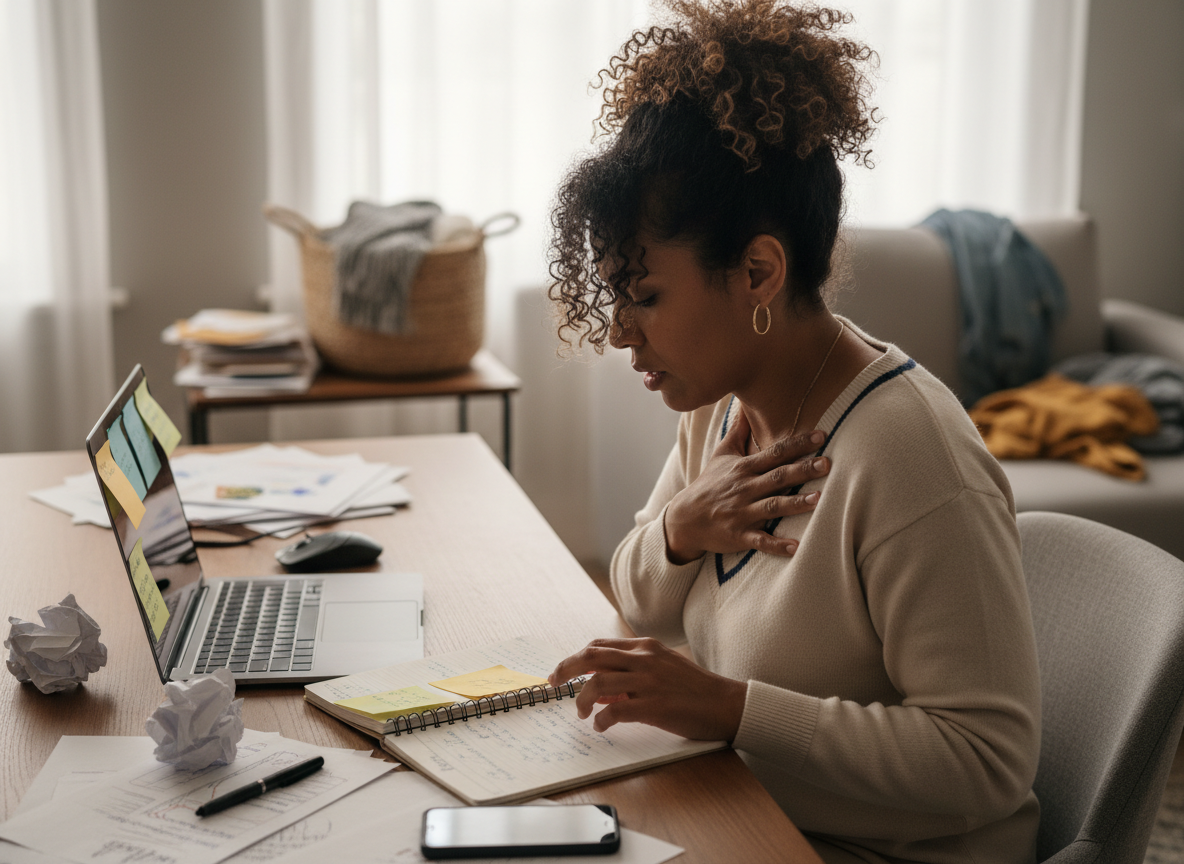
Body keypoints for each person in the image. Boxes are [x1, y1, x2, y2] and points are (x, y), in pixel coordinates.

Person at [544, 2, 1042, 862]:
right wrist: (678, 527)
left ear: (758, 272)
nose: (621, 331)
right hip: (750, 811)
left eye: (645, 295)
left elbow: (988, 763)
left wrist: (730, 708)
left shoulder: (909, 457)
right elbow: (637, 591)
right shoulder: (719, 408)